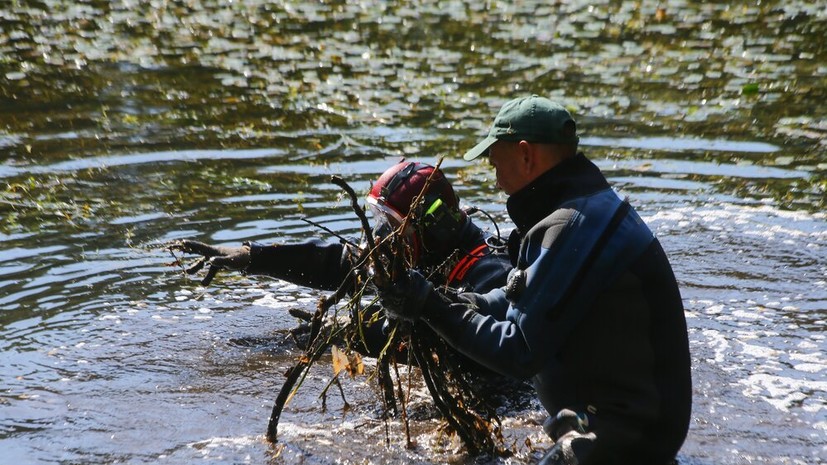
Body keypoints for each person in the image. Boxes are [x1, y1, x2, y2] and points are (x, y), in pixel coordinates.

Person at [379, 96, 692, 464]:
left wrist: (427, 305)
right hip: (612, 422)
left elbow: (518, 352)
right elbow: (516, 300)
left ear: (526, 155)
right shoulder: (579, 208)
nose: (496, 181)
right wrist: (450, 300)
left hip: (628, 435)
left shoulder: (574, 224)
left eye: (496, 163)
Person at [170, 160, 513, 361]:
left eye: (393, 228)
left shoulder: (489, 274)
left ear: (433, 226)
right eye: (380, 221)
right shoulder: (424, 250)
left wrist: (342, 335)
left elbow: (433, 334)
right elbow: (339, 262)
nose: (382, 240)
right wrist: (252, 257)